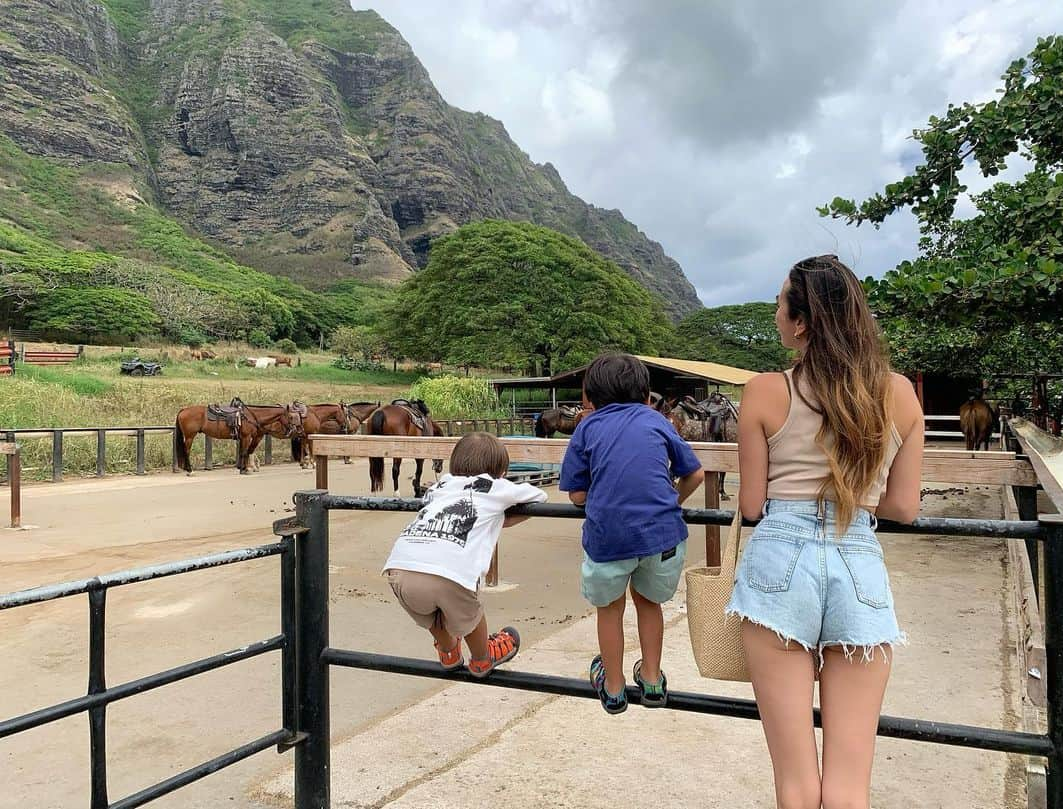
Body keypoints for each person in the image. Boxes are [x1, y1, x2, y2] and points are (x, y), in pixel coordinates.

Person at [726, 255, 924, 809]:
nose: (774, 313)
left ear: (803, 321)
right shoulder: (900, 394)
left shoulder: (765, 391)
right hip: (858, 557)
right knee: (847, 784)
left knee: (795, 781)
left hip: (778, 564)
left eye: (780, 303)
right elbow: (905, 507)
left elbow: (750, 503)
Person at [560, 353, 704, 713]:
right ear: (644, 394)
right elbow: (696, 474)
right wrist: (671, 499)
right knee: (648, 603)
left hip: (609, 537)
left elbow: (576, 494)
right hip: (663, 536)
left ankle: (613, 686)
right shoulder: (657, 421)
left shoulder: (587, 428)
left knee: (609, 610)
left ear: (590, 396)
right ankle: (652, 680)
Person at [383, 431, 548, 677]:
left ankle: (449, 651)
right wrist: (499, 516)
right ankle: (482, 657)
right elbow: (539, 497)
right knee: (469, 610)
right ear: (500, 471)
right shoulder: (494, 486)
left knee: (433, 616)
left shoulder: (440, 485)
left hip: (400, 569)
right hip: (450, 574)